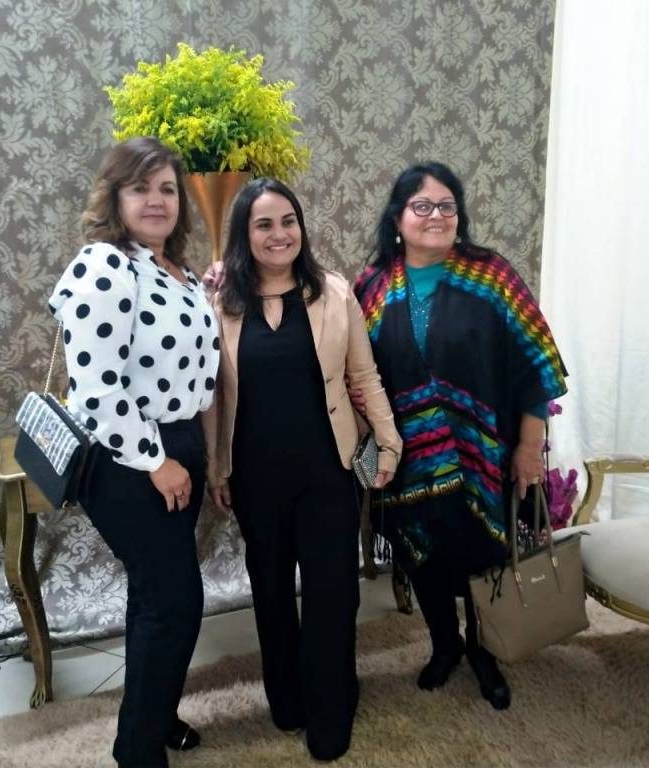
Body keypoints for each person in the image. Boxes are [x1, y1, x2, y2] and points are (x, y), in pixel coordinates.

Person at [352, 162, 568, 710]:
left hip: (483, 453)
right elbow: (351, 367)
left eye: (447, 206)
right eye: (422, 206)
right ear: (398, 218)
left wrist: (528, 448)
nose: (436, 216)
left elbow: (537, 362)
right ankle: (444, 644)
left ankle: (483, 648)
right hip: (406, 459)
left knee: (482, 554)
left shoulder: (491, 275)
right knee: (421, 553)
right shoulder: (371, 287)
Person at [204, 178, 402, 761]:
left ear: (301, 228)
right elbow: (212, 397)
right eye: (263, 224)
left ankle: (332, 704)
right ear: (244, 235)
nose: (279, 234)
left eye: (288, 221)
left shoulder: (333, 293)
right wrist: (217, 469)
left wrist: (388, 443)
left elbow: (364, 376)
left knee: (331, 593)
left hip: (327, 474)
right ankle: (286, 697)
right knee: (270, 591)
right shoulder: (220, 303)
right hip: (255, 479)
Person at [48, 137, 220, 768]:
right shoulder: (105, 265)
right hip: (131, 457)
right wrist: (156, 460)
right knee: (174, 603)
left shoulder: (175, 271)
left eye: (167, 189)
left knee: (156, 599)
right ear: (115, 197)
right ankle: (137, 751)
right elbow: (96, 388)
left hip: (177, 444)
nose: (156, 200)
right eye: (140, 188)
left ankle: (154, 714)